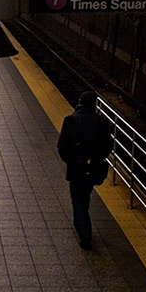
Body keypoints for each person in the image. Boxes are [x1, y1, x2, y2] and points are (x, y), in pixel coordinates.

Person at [57, 91, 113, 249]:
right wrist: (96, 159)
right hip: (93, 169)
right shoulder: (102, 122)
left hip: (76, 169)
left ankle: (85, 233)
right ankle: (84, 226)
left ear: (80, 102)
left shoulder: (70, 120)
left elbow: (61, 147)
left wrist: (71, 161)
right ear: (94, 105)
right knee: (85, 197)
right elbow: (108, 146)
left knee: (78, 200)